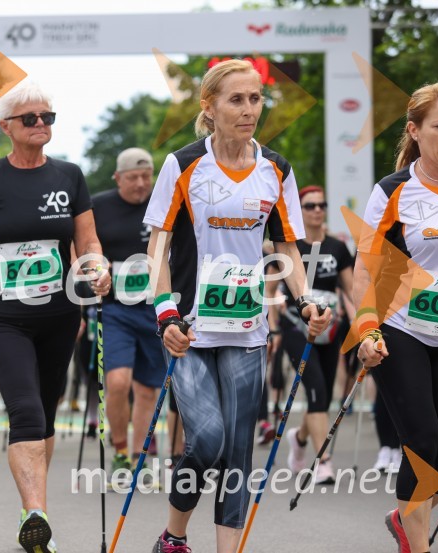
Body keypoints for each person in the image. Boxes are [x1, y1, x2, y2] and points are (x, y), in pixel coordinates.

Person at [144, 59, 331, 553]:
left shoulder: (276, 169)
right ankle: (174, 534)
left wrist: (306, 299)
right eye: (237, 100)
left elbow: (288, 246)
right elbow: (157, 246)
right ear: (209, 106)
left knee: (239, 452)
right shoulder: (182, 164)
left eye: (255, 99)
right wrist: (164, 312)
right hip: (187, 327)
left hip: (247, 328)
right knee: (206, 440)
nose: (249, 110)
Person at [0, 80, 110, 553]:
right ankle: (37, 514)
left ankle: (33, 511)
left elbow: (89, 242)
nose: (41, 125)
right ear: (6, 126)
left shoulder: (70, 176)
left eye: (48, 117)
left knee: (47, 413)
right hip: (3, 316)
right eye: (30, 118)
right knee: (26, 410)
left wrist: (97, 267)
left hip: (61, 314)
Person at [354, 82, 438, 553]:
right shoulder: (394, 191)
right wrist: (366, 329)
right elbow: (364, 272)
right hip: (401, 329)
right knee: (423, 438)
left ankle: (404, 519)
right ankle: (416, 545)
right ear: (416, 131)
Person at [265, 185, 355, 484]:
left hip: (330, 327)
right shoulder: (290, 246)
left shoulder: (337, 247)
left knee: (324, 397)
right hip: (296, 325)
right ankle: (323, 461)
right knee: (314, 388)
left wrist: (363, 327)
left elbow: (350, 292)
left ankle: (300, 438)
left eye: (322, 205)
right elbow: (271, 290)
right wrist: (274, 328)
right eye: (310, 206)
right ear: (299, 211)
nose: (317, 210)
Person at [91, 147, 168, 475]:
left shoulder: (161, 203)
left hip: (153, 307)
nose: (141, 183)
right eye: (133, 177)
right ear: (117, 178)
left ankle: (139, 455)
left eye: (146, 176)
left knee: (148, 388)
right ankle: (120, 448)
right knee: (119, 382)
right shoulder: (99, 205)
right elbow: (81, 244)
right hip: (114, 308)